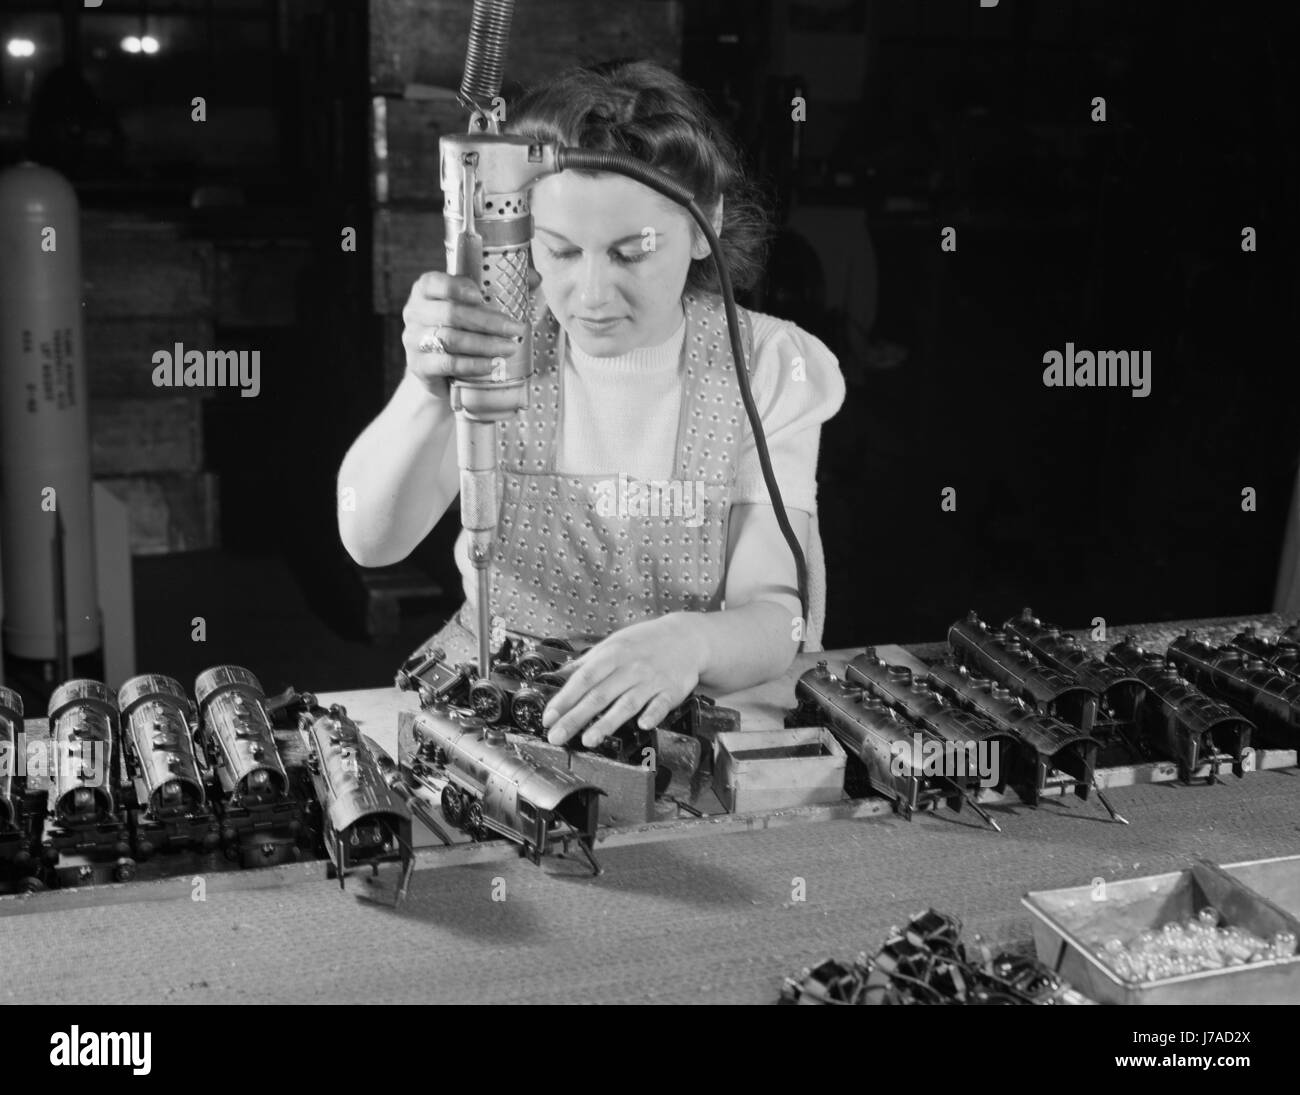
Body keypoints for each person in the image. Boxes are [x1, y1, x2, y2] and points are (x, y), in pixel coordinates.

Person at [338, 61, 844, 749]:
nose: (592, 294)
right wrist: (425, 389)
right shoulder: (500, 339)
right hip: (495, 697)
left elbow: (776, 616)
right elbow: (371, 538)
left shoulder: (765, 365)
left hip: (669, 713)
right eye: (562, 251)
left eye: (632, 253)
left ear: (707, 225)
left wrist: (687, 641)